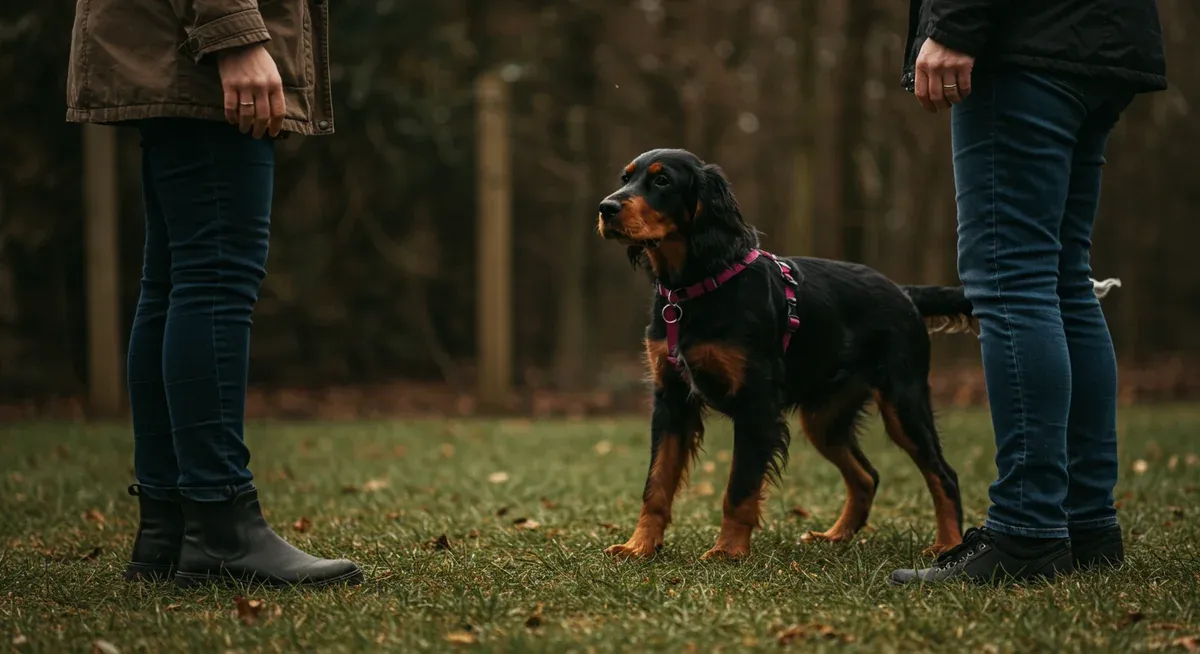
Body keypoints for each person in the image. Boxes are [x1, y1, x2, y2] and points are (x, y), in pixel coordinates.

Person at [67, 0, 363, 587]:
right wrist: (234, 35)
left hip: (170, 40)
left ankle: (170, 527)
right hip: (197, 47)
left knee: (175, 280)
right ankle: (220, 523)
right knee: (214, 278)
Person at [891, 1, 1167, 584]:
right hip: (1102, 41)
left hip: (1026, 40)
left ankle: (1027, 530)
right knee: (1064, 279)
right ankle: (1085, 525)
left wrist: (956, 23)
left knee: (1011, 280)